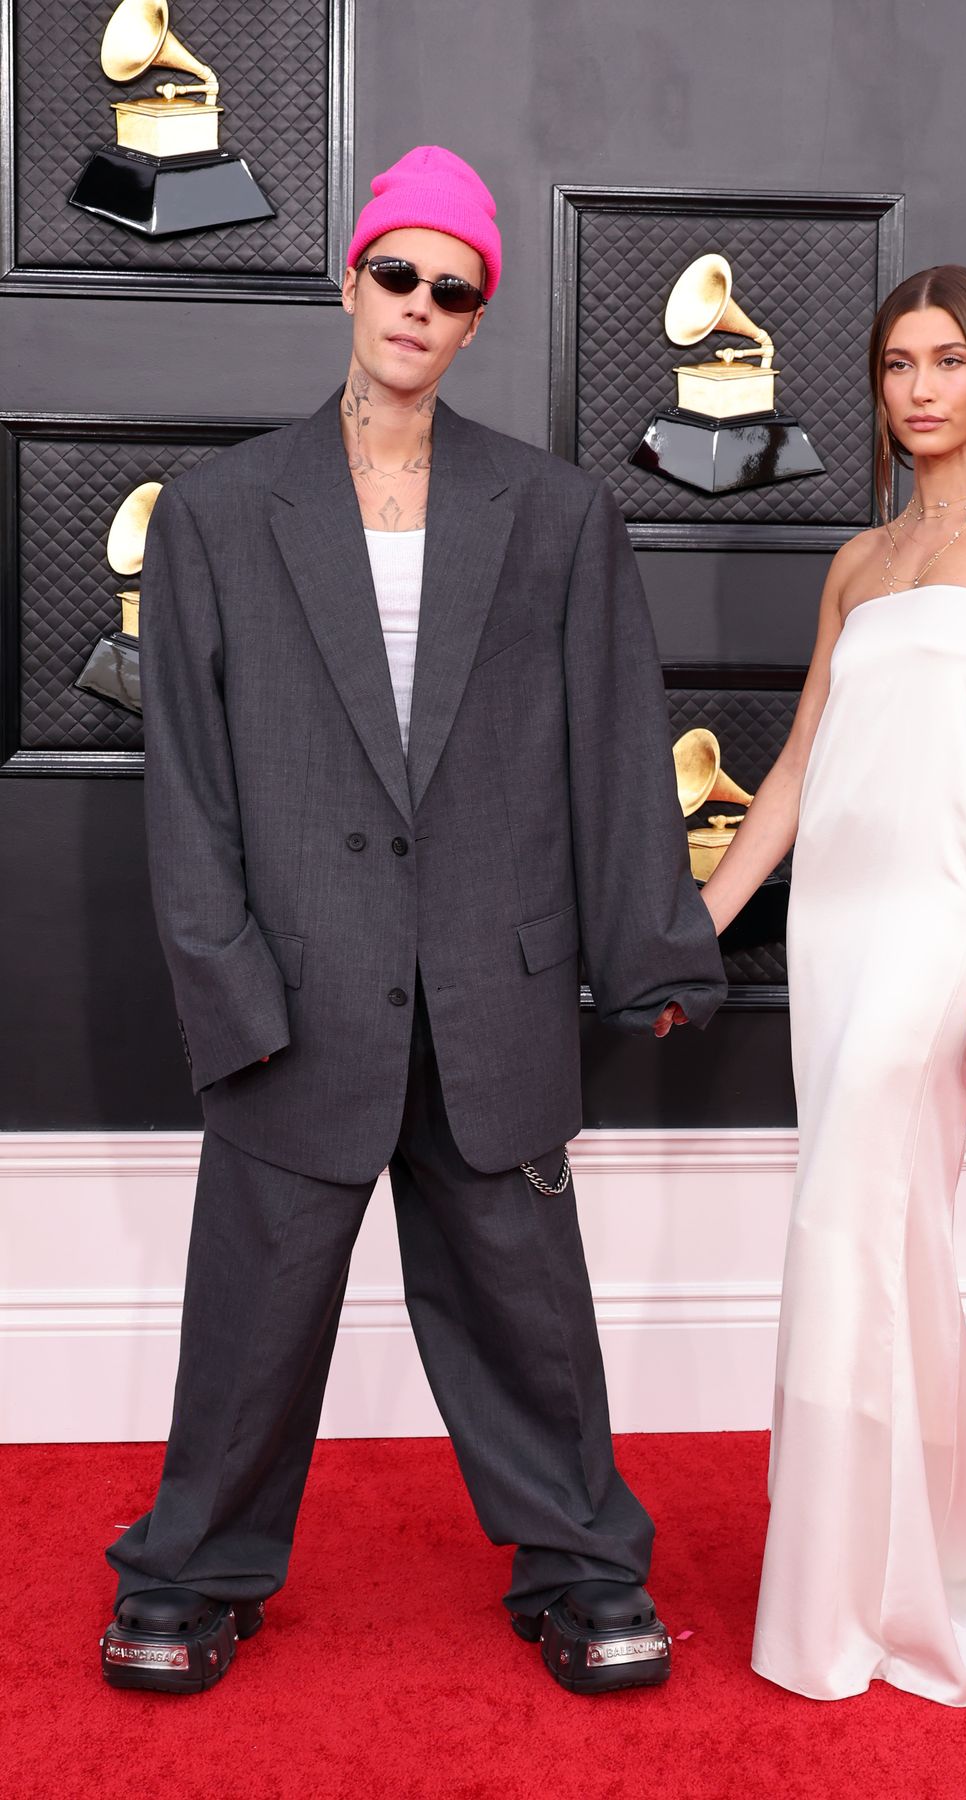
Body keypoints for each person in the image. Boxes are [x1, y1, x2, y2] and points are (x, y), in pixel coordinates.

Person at [100, 146, 726, 1696]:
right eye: (399, 273)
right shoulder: (220, 512)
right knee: (250, 1326)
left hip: (491, 987)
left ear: (475, 318)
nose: (419, 306)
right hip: (294, 989)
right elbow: (187, 782)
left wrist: (650, 942)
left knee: (527, 1317)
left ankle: (584, 1571)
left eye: (453, 290)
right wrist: (227, 984)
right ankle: (188, 1575)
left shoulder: (558, 512)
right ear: (352, 279)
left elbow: (612, 741)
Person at [699, 265, 966, 1706]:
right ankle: (924, 1543)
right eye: (897, 363)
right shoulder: (861, 562)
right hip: (839, 916)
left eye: (949, 360)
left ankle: (843, 1600)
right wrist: (703, 920)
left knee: (848, 1216)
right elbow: (796, 768)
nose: (923, 388)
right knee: (879, 1232)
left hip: (951, 913)